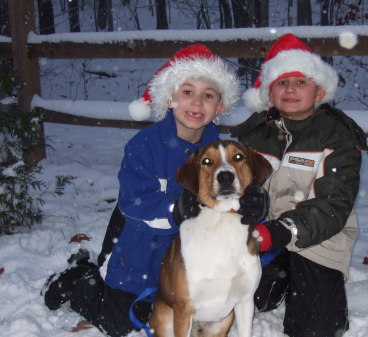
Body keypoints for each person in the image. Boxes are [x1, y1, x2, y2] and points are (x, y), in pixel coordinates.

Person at [42, 44, 260, 337]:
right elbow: (133, 204)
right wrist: (175, 210)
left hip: (197, 259)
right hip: (143, 246)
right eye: (187, 92)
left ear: (219, 106)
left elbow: (242, 182)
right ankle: (79, 278)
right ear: (169, 98)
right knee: (126, 322)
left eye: (208, 95)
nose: (197, 103)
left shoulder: (222, 151)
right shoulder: (144, 146)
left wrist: (255, 199)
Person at [230, 34, 368, 337]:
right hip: (265, 235)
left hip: (320, 236)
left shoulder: (336, 135)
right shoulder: (254, 134)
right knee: (240, 298)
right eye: (281, 82)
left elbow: (334, 202)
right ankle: (279, 279)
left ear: (319, 91)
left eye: (301, 82)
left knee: (315, 328)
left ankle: (317, 293)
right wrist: (248, 201)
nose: (290, 89)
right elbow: (233, 182)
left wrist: (284, 229)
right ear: (269, 91)